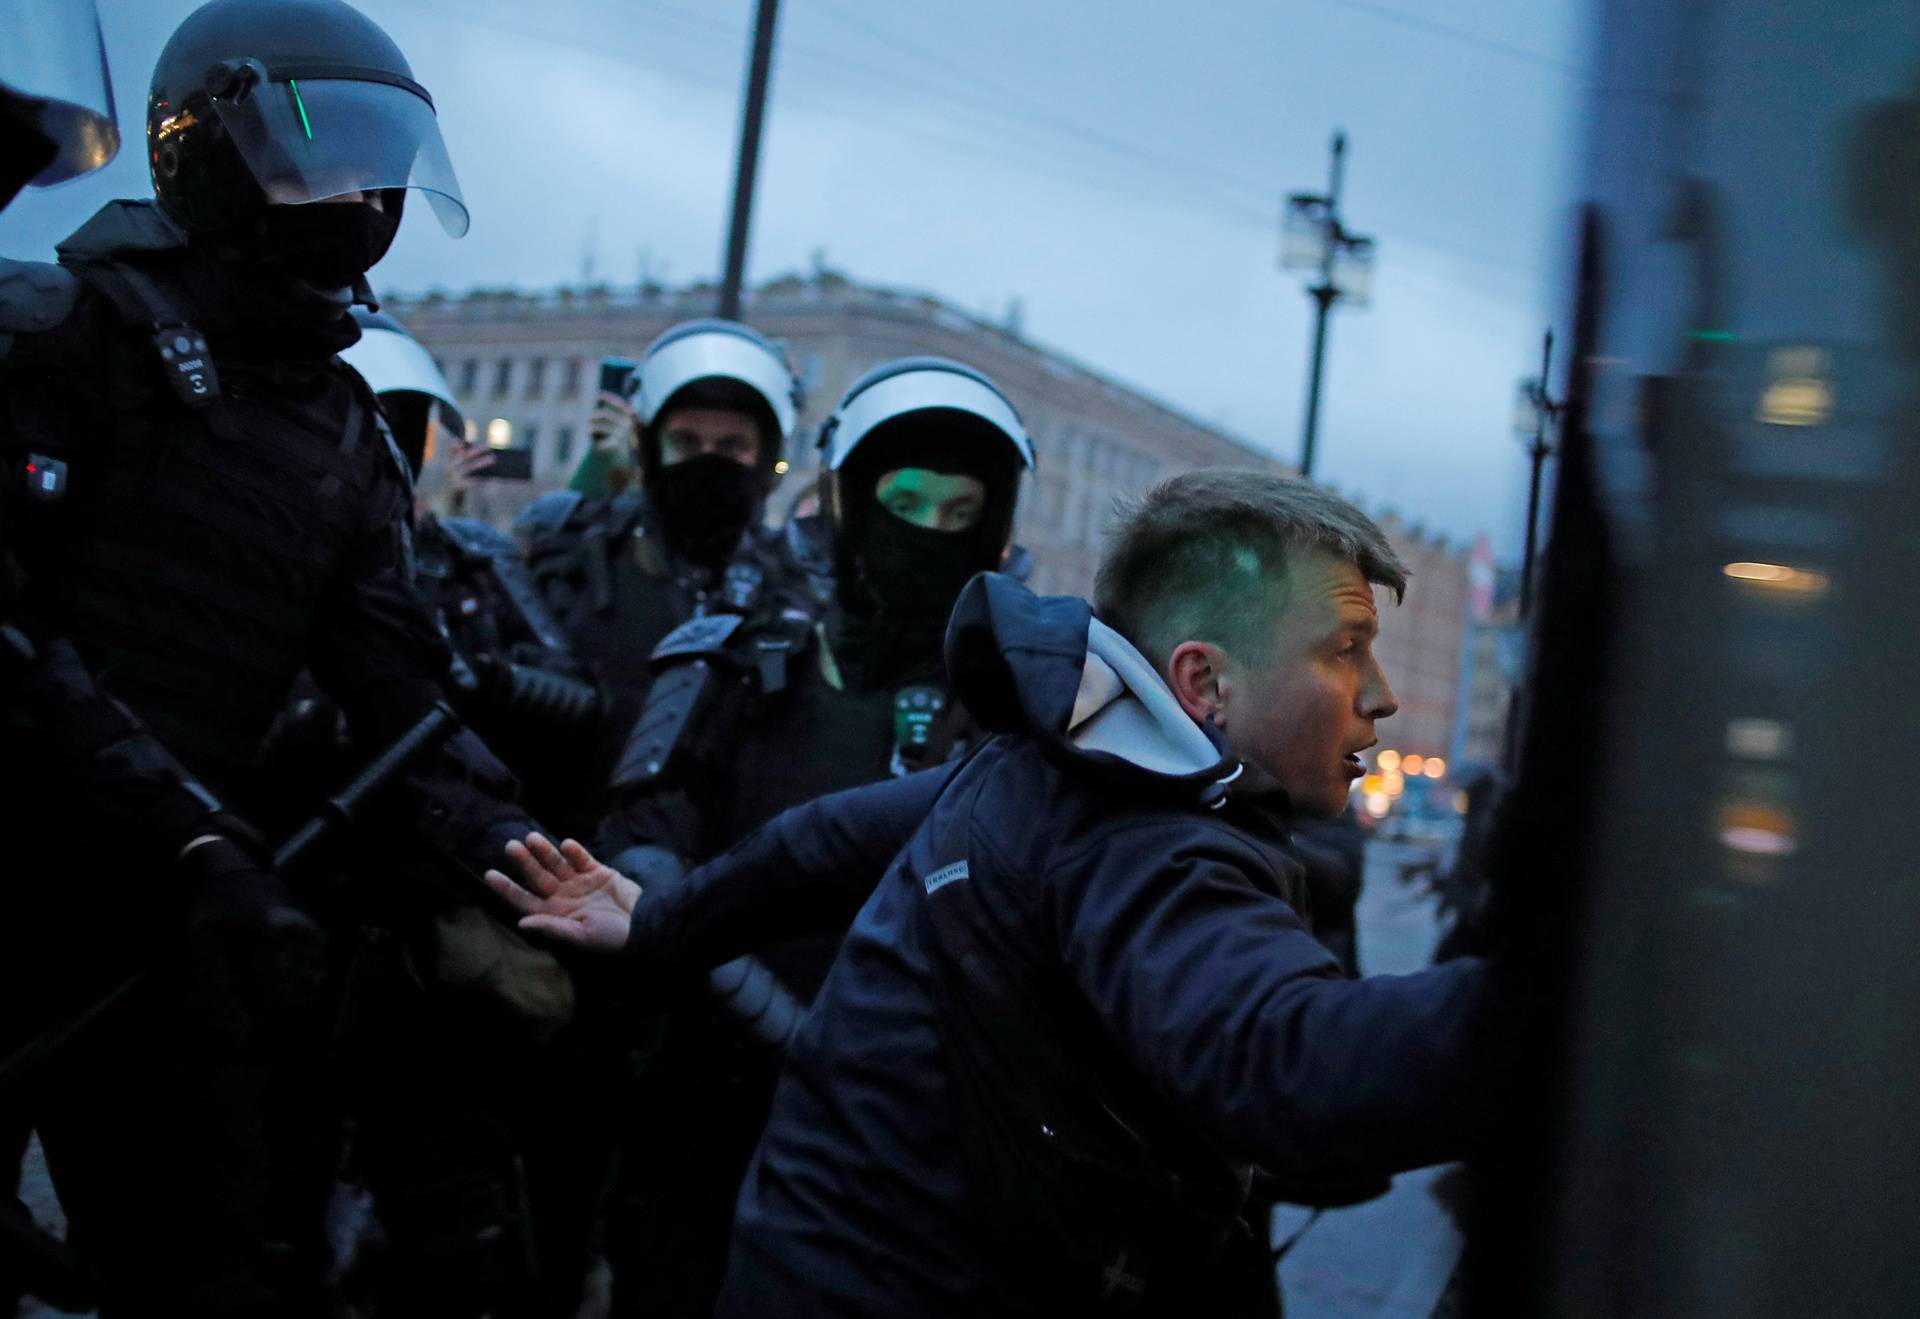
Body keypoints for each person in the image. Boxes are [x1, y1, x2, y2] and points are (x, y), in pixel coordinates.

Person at [492, 469, 1511, 1318]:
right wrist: (1584, 996)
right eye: (1345, 649)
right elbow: (1290, 1062)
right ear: (1203, 685)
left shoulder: (1048, 760)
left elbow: (822, 839)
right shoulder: (1144, 838)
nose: (1380, 693)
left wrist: (661, 918)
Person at [0, 1, 568, 1311]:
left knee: (206, 1260)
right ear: (211, 148)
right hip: (44, 871)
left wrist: (522, 865)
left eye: (385, 164)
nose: (364, 200)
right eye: (326, 155)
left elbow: (401, 693)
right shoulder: (55, 341)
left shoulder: (340, 431)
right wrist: (188, 836)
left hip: (176, 928)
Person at [588, 355, 1034, 1319]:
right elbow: (649, 816)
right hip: (714, 1083)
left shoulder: (1027, 702)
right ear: (848, 497)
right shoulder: (745, 647)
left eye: (962, 513)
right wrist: (699, 942)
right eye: (905, 499)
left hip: (911, 1127)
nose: (927, 533)